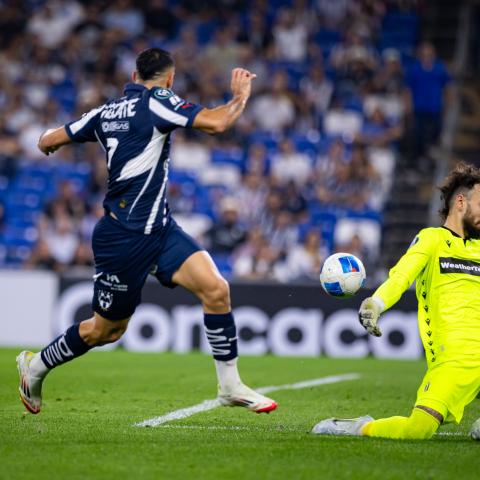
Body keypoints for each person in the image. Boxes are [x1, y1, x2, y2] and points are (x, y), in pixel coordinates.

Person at [17, 47, 277, 415]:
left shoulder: (106, 111)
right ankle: (37, 366)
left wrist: (49, 142)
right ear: (168, 79)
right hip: (124, 237)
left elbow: (49, 139)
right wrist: (240, 97)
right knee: (105, 331)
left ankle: (229, 386)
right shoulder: (159, 101)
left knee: (216, 289)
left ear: (133, 76)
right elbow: (217, 123)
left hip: (160, 229)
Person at [312, 161, 480, 439]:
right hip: (455, 361)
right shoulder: (432, 240)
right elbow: (401, 277)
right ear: (460, 202)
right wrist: (375, 304)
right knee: (418, 430)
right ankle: (359, 426)